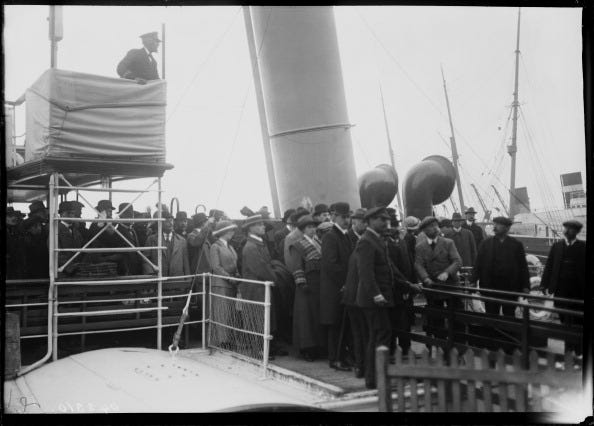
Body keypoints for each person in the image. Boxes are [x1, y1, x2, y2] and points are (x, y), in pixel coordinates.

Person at [356, 207, 422, 389]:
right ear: (370, 221)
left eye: (386, 220)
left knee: (379, 335)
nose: (386, 223)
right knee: (380, 335)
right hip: (373, 300)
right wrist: (376, 294)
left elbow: (390, 269)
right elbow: (366, 273)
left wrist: (409, 285)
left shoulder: (378, 240)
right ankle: (375, 379)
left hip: (382, 298)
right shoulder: (366, 242)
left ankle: (375, 378)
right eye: (381, 220)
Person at [241, 214, 287, 358]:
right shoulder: (250, 247)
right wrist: (275, 278)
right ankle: (258, 350)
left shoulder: (258, 244)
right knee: (257, 318)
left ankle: (267, 348)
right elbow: (261, 269)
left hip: (262, 287)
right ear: (250, 228)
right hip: (256, 289)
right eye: (260, 225)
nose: (263, 227)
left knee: (266, 317)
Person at [540, 220, 585, 355]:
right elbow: (549, 266)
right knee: (564, 322)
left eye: (570, 229)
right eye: (565, 228)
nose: (566, 231)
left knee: (577, 323)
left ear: (576, 232)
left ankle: (578, 353)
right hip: (560, 291)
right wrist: (544, 284)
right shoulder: (557, 246)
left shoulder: (583, 247)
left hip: (578, 292)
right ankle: (567, 353)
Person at [470, 216, 530, 316]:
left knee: (509, 315)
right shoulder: (486, 244)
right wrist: (473, 281)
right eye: (495, 224)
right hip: (490, 287)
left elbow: (523, 266)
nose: (495, 226)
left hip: (510, 288)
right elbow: (478, 264)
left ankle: (507, 331)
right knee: (491, 315)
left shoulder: (516, 245)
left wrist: (526, 286)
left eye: (498, 225)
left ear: (507, 228)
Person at [415, 216, 462, 339]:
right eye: (430, 226)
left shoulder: (448, 243)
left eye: (435, 225)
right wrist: (425, 278)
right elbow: (418, 264)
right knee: (436, 318)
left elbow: (457, 261)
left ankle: (458, 342)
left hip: (451, 285)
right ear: (424, 230)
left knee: (457, 316)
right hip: (433, 287)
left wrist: (447, 273)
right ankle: (441, 343)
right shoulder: (420, 247)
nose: (434, 228)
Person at [320, 202, 354, 372]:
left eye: (348, 217)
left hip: (345, 287)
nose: (347, 220)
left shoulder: (346, 235)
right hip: (335, 289)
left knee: (344, 323)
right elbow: (330, 265)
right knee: (335, 324)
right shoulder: (330, 237)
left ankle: (343, 356)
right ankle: (335, 359)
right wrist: (344, 283)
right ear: (334, 216)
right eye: (343, 217)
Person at [285, 215, 323, 361]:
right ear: (302, 230)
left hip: (319, 284)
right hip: (306, 287)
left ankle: (319, 347)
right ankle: (308, 349)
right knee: (306, 319)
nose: (312, 229)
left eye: (314, 226)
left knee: (317, 316)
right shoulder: (297, 245)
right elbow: (297, 266)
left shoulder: (318, 242)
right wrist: (302, 283)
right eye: (309, 227)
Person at [209, 220, 240, 349]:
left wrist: (237, 275)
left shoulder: (230, 246)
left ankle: (229, 339)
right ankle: (223, 341)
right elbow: (216, 267)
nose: (232, 232)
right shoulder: (215, 247)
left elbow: (234, 263)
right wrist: (229, 277)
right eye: (230, 230)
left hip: (231, 283)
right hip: (221, 284)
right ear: (223, 232)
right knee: (222, 313)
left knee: (231, 313)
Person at [57, 201, 85, 275]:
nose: (71, 215)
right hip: (63, 271)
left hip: (77, 269)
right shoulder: (56, 231)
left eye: (73, 213)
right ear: (62, 214)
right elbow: (57, 254)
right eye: (69, 213)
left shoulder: (75, 230)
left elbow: (82, 246)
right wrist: (70, 268)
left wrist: (82, 265)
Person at [115, 202, 143, 275]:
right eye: (127, 213)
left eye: (132, 214)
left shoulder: (133, 230)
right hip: (125, 271)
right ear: (121, 215)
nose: (131, 216)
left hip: (136, 269)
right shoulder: (117, 232)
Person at [6, 207, 26, 279]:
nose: (14, 218)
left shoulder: (16, 231)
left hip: (16, 266)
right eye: (10, 216)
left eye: (14, 216)